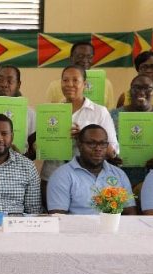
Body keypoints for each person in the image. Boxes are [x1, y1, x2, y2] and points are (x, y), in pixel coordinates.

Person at [40, 65, 119, 204]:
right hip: (52, 175)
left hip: (86, 179)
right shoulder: (51, 111)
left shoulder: (99, 112)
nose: (69, 84)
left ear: (85, 84)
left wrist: (85, 137)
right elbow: (41, 146)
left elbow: (112, 152)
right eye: (65, 80)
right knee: (55, 217)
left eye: (75, 80)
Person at [47, 124, 136, 215]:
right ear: (79, 145)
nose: (98, 148)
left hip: (113, 228)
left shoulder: (118, 174)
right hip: (76, 229)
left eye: (102, 144)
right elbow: (58, 218)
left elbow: (130, 214)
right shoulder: (62, 175)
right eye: (91, 143)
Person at [110, 74, 153, 187]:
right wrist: (110, 157)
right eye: (136, 88)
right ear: (130, 91)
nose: (142, 92)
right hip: (119, 178)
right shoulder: (113, 115)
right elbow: (103, 143)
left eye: (148, 88)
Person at [45, 41, 115, 108]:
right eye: (80, 56)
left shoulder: (106, 84)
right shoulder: (54, 86)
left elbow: (110, 112)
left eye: (89, 56)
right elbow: (49, 115)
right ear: (71, 58)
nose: (85, 60)